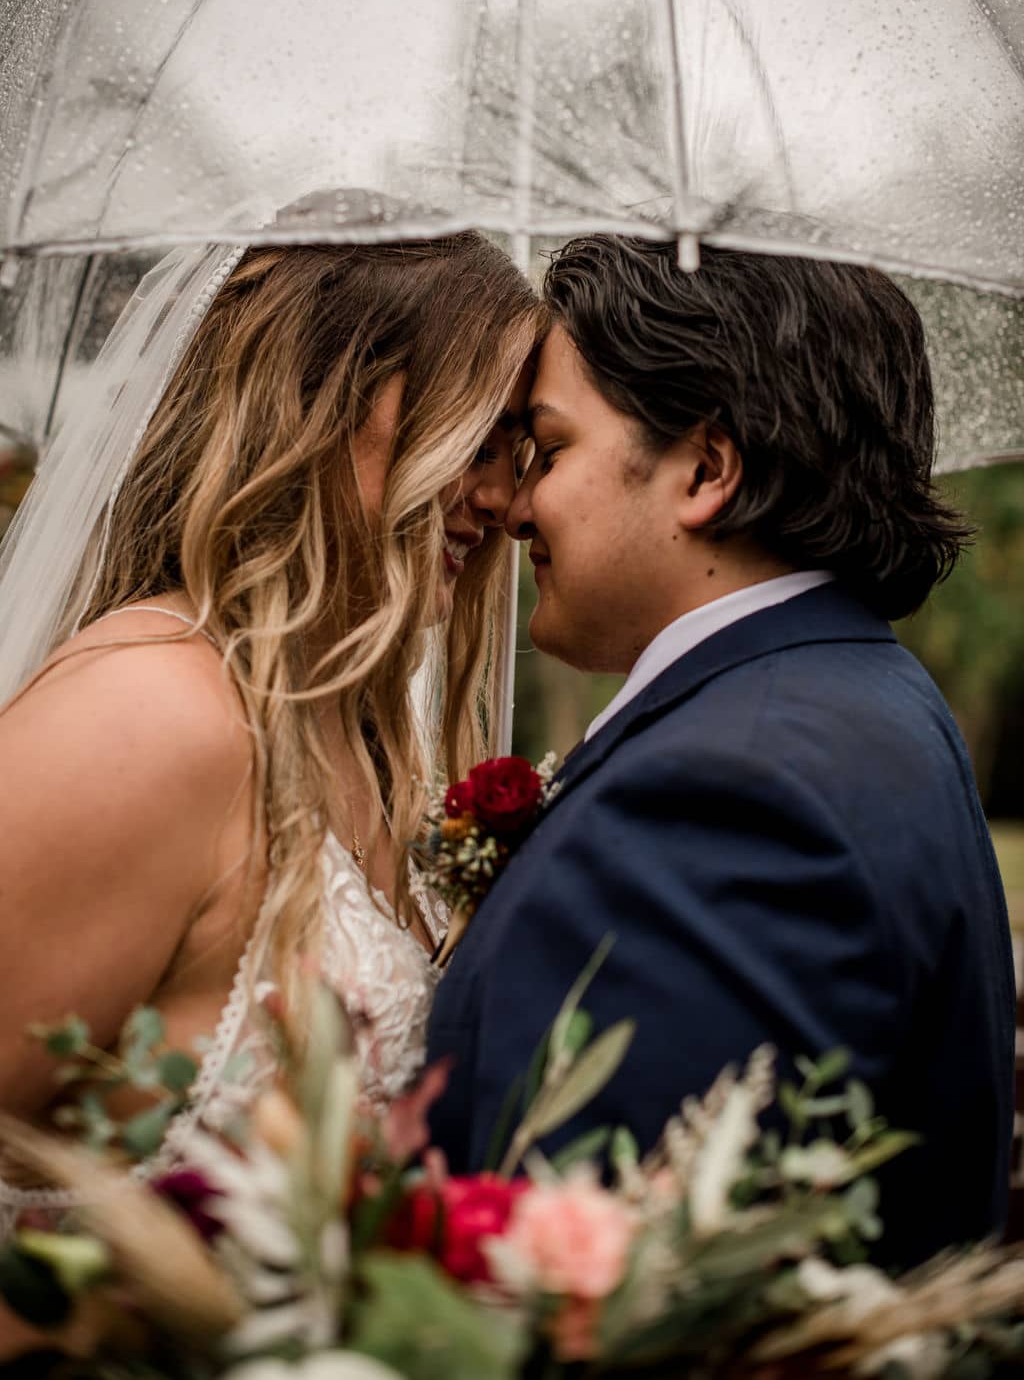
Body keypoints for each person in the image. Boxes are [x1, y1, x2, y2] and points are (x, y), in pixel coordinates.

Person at [426, 235, 1015, 1269]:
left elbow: (610, 1291)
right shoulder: (852, 692)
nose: (516, 506)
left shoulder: (725, 797)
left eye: (549, 450)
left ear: (704, 467)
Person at [0, 231, 543, 1232]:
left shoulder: (375, 734)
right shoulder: (146, 717)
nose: (504, 498)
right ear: (320, 396)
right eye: (476, 433)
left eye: (521, 449)